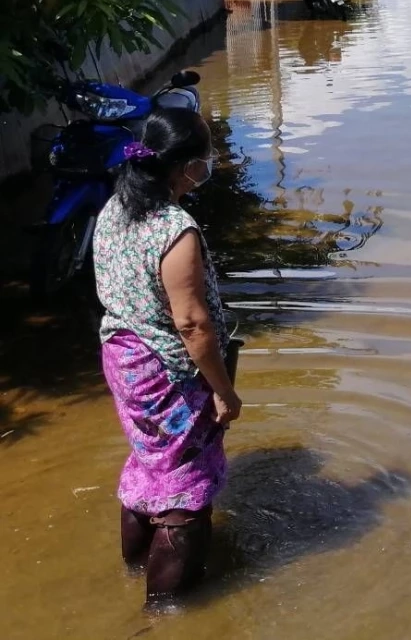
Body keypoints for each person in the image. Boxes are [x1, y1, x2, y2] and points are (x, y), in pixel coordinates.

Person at [93, 107, 238, 603]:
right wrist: (223, 391)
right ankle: (167, 611)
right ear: (185, 168)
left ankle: (134, 566)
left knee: (152, 461)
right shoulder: (175, 230)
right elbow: (192, 325)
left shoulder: (116, 207)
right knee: (185, 484)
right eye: (205, 154)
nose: (210, 161)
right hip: (167, 374)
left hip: (124, 360)